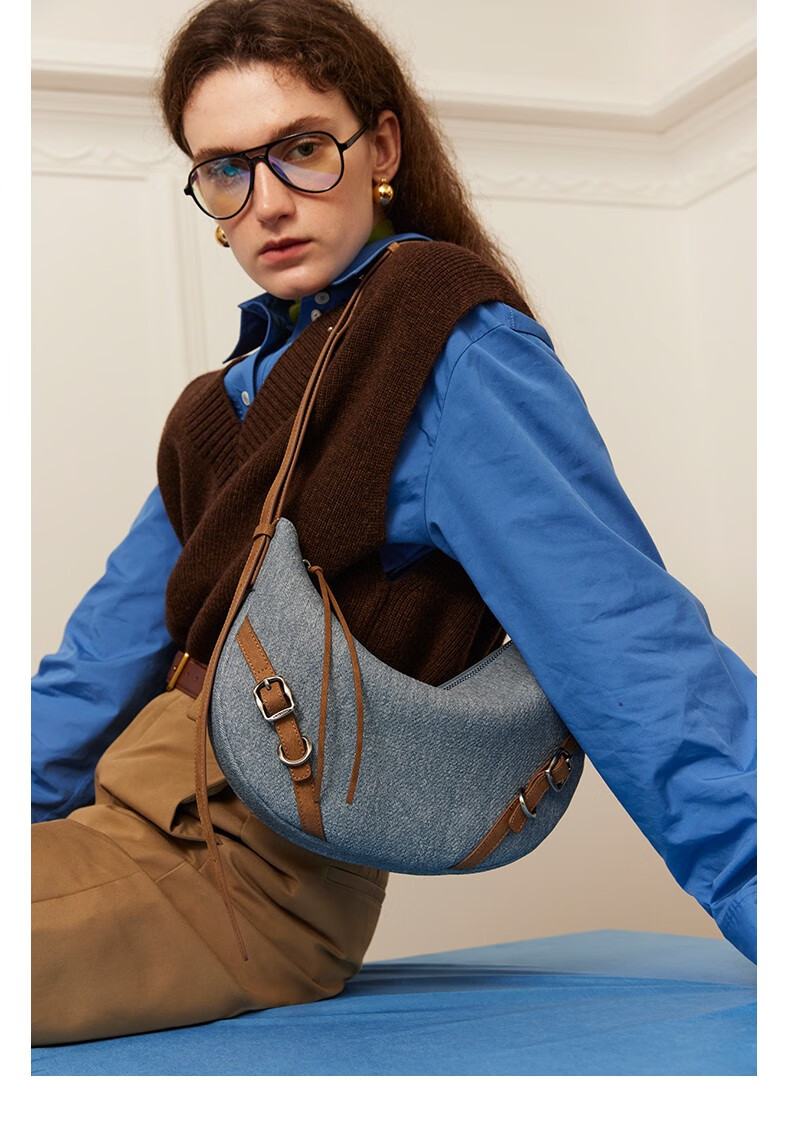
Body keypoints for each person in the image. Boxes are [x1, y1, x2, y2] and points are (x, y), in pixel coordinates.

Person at [31, 0, 756, 1046]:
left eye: (301, 149)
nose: (266, 203)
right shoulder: (221, 406)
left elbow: (631, 648)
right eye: (226, 170)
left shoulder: (445, 342)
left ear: (380, 147)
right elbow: (93, 669)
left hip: (244, 880)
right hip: (123, 821)